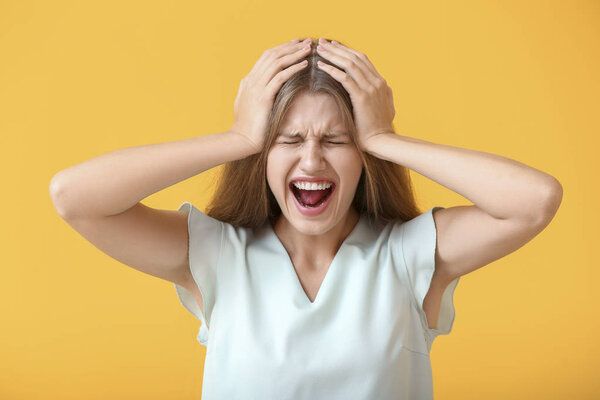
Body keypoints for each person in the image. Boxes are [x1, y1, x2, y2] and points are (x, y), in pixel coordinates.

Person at [49, 37, 563, 399]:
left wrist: (386, 138)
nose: (312, 160)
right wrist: (237, 138)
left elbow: (535, 199)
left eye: (337, 141)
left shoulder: (408, 257)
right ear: (264, 158)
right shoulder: (220, 256)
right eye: (290, 141)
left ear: (363, 157)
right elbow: (73, 196)